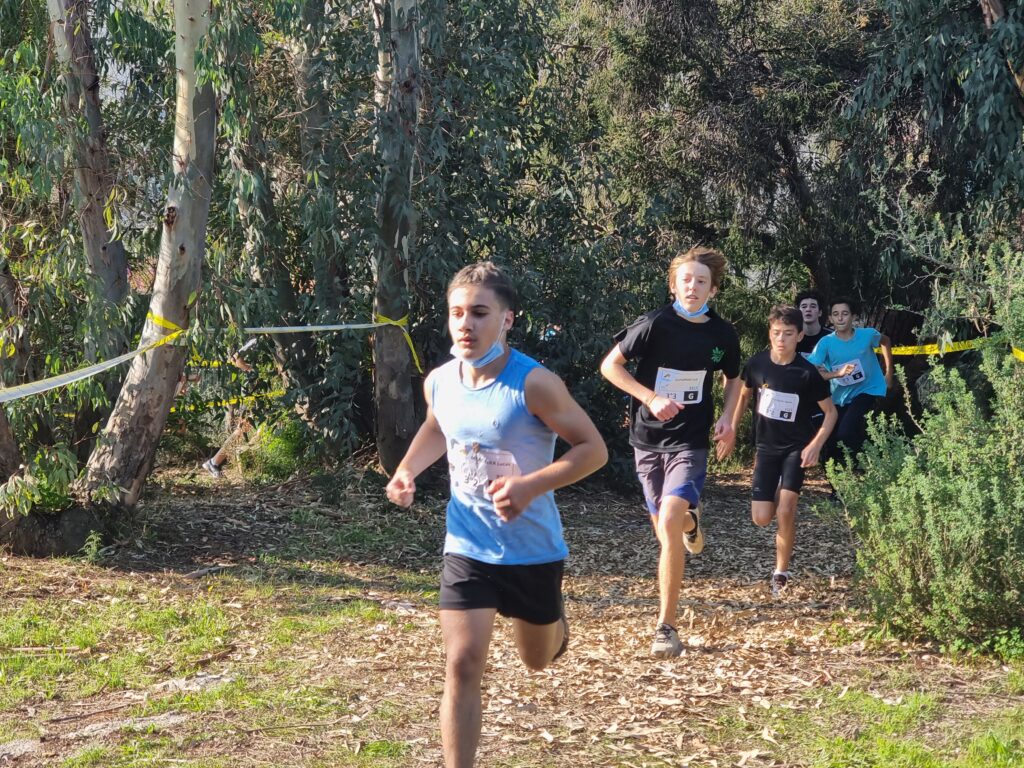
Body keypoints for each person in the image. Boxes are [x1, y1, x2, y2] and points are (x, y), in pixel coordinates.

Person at [384, 262, 607, 768]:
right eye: (456, 313)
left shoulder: (534, 383)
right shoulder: (440, 381)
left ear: (507, 319)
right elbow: (439, 429)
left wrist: (530, 485)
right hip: (467, 545)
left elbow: (593, 450)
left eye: (480, 313)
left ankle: (556, 627)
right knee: (462, 664)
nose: (465, 324)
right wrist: (406, 470)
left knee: (537, 660)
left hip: (532, 550)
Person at [599, 246, 741, 658]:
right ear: (673, 284)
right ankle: (689, 524)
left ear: (712, 289)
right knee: (665, 531)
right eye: (685, 279)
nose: (692, 286)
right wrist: (649, 397)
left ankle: (666, 627)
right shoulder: (654, 324)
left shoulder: (722, 334)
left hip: (691, 440)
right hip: (648, 441)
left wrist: (729, 420)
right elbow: (610, 366)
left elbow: (734, 378)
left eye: (700, 281)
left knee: (670, 518)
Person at [725, 306, 837, 595]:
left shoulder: (807, 373)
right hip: (765, 448)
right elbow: (743, 395)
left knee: (787, 509)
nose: (781, 339)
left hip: (795, 449)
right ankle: (776, 490)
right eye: (776, 333)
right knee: (762, 518)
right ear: (769, 333)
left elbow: (831, 414)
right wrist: (732, 430)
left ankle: (780, 573)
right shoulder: (757, 364)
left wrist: (815, 445)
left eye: (788, 334)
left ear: (800, 336)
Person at [806, 296, 893, 468]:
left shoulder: (867, 335)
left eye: (845, 314)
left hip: (868, 389)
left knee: (846, 431)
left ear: (853, 317)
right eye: (836, 314)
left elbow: (886, 341)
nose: (840, 318)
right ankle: (837, 487)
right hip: (840, 396)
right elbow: (811, 371)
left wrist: (889, 373)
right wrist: (835, 374)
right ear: (830, 319)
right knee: (831, 440)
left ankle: (868, 463)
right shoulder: (826, 343)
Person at [202, 338, 259, 478]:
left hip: (257, 387)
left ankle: (216, 462)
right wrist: (248, 368)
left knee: (246, 428)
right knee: (243, 427)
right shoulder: (256, 341)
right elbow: (235, 358)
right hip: (253, 388)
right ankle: (214, 462)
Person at [794, 289, 831, 358]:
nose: (808, 309)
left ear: (820, 312)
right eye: (804, 306)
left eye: (813, 306)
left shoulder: (831, 337)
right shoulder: (792, 337)